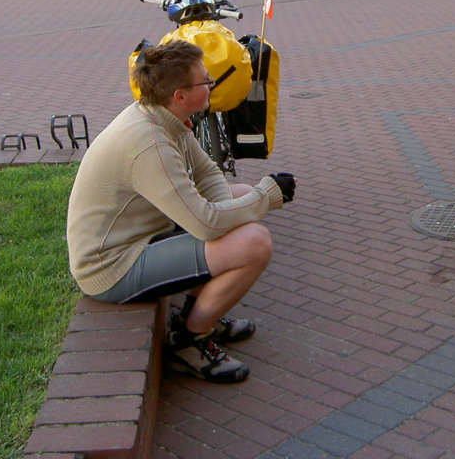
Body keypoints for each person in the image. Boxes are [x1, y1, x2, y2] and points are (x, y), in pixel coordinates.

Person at [66, 39, 296, 383]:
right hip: (111, 268)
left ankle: (201, 313)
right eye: (206, 81)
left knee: (240, 198)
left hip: (142, 236)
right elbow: (206, 223)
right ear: (180, 95)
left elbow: (206, 174)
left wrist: (241, 202)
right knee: (254, 243)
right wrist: (265, 196)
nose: (212, 84)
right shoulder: (149, 143)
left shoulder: (161, 116)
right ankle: (189, 339)